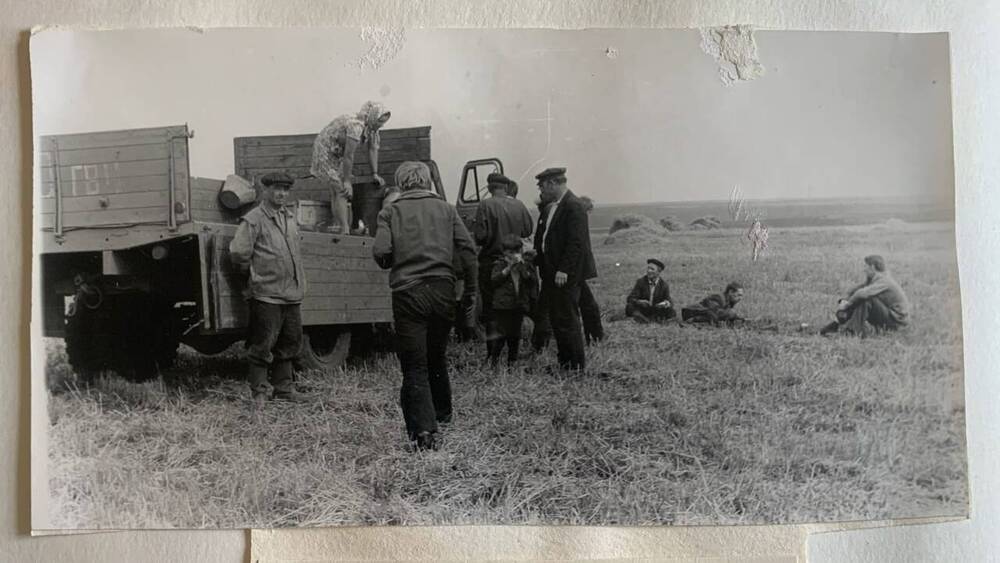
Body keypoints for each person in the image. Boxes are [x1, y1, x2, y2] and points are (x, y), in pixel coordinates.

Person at [373, 161, 478, 451]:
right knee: (437, 356)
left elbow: (381, 253)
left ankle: (424, 431)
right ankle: (443, 415)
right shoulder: (446, 209)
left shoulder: (390, 211)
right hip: (443, 290)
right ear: (427, 181)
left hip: (409, 293)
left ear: (402, 183)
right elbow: (467, 250)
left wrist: (395, 260)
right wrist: (469, 290)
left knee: (414, 364)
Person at [229, 172, 308, 405]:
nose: (281, 194)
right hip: (266, 295)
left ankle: (284, 389)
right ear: (266, 191)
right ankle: (260, 391)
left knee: (290, 342)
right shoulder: (253, 219)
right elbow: (238, 253)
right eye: (276, 189)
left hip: (291, 294)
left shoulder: (290, 218)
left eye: (285, 189)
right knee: (263, 344)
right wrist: (252, 279)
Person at [533, 167, 597, 371]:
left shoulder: (573, 205)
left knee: (568, 319)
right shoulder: (555, 206)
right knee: (558, 318)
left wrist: (564, 270)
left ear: (552, 183)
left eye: (542, 186)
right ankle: (565, 363)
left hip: (564, 275)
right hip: (552, 272)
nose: (541, 191)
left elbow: (576, 243)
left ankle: (575, 366)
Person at [472, 173, 533, 352]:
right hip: (516, 262)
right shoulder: (519, 204)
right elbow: (527, 230)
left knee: (491, 311)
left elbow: (480, 236)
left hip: (493, 264)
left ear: (490, 188)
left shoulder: (485, 205)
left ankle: (493, 354)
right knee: (515, 308)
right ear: (506, 187)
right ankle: (513, 354)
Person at [311, 101, 392, 234]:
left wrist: (375, 173)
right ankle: (345, 229)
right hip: (325, 150)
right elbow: (349, 155)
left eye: (383, 122)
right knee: (342, 189)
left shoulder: (372, 129)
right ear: (373, 117)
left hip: (337, 153)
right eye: (380, 122)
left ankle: (339, 225)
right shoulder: (356, 125)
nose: (381, 125)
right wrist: (347, 181)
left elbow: (372, 150)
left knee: (335, 190)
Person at [820, 255, 909, 337]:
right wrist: (845, 299)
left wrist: (847, 304)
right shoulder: (876, 278)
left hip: (896, 322)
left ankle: (851, 331)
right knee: (860, 298)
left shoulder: (885, 280)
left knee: (866, 300)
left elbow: (862, 294)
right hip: (890, 316)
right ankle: (836, 325)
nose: (864, 269)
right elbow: (856, 289)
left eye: (865, 266)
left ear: (872, 267)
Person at [488, 234, 538, 366]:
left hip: (518, 305)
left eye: (517, 251)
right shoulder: (499, 264)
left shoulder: (525, 265)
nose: (514, 255)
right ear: (504, 252)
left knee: (515, 335)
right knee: (500, 334)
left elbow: (531, 281)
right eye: (510, 252)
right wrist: (508, 268)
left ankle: (512, 360)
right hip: (502, 306)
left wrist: (522, 266)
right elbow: (494, 281)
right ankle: (494, 360)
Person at [576, 195, 605, 343]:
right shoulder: (579, 218)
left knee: (587, 305)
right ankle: (594, 336)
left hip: (574, 271)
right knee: (588, 305)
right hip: (575, 272)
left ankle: (593, 336)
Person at [625, 259, 676, 324]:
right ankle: (645, 319)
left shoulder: (664, 285)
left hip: (655, 310)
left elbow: (669, 301)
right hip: (643, 309)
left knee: (672, 311)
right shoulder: (641, 282)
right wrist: (639, 302)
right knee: (630, 306)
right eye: (648, 268)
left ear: (658, 271)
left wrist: (665, 304)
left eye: (652, 269)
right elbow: (630, 298)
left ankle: (645, 319)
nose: (649, 271)